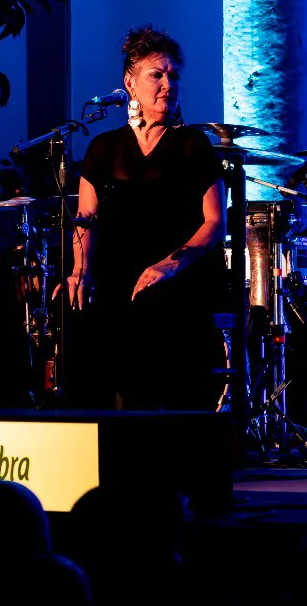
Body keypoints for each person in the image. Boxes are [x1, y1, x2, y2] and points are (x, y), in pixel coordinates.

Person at [65, 26, 225, 409]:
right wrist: (79, 270)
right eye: (157, 74)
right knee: (73, 303)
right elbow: (85, 216)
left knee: (155, 305)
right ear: (129, 84)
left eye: (174, 75)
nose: (168, 84)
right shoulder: (103, 149)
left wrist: (168, 265)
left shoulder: (192, 145)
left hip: (177, 274)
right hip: (117, 274)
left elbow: (214, 223)